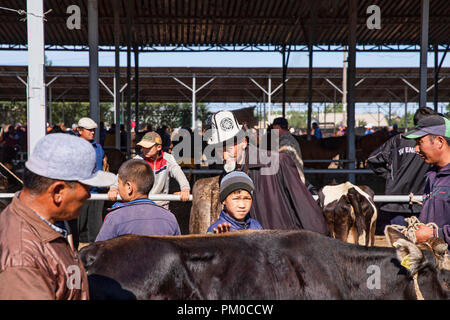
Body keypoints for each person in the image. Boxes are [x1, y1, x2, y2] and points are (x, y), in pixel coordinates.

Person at [0, 133, 116, 299]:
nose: (89, 196)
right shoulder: (22, 259)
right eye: (87, 187)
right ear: (58, 191)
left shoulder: (44, 227)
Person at [206, 110, 329, 234]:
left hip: (283, 245)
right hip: (251, 248)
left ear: (244, 142)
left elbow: (304, 205)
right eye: (218, 149)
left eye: (229, 147)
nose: (224, 155)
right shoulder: (227, 176)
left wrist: (319, 241)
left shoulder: (279, 162)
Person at [367, 107, 438, 234]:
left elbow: (372, 160)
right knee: (423, 243)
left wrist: (391, 176)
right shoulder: (435, 144)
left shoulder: (399, 140)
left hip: (397, 200)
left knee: (401, 244)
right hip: (423, 201)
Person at [96, 159, 181, 241]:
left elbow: (98, 253)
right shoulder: (170, 218)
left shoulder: (114, 218)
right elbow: (179, 252)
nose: (118, 187)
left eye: (119, 183)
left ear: (129, 187)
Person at [108, 131, 190, 209]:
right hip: (141, 204)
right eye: (143, 147)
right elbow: (122, 174)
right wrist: (113, 188)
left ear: (159, 147)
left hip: (161, 205)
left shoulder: (168, 159)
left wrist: (185, 189)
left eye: (148, 147)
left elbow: (178, 173)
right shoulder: (138, 160)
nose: (144, 149)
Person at [403, 115, 450, 245]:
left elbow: (434, 232)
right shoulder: (432, 175)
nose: (415, 149)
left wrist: (435, 234)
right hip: (437, 258)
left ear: (439, 141)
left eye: (419, 142)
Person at [74, 117, 106, 247]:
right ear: (80, 130)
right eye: (89, 130)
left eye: (93, 130)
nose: (92, 132)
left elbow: (103, 164)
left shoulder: (98, 147)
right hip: (79, 193)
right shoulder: (73, 148)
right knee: (77, 227)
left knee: (96, 229)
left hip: (97, 192)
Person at [271, 117, 306, 184]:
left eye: (273, 129)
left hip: (292, 182)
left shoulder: (286, 142)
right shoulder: (287, 139)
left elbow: (280, 162)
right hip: (293, 180)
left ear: (277, 127)